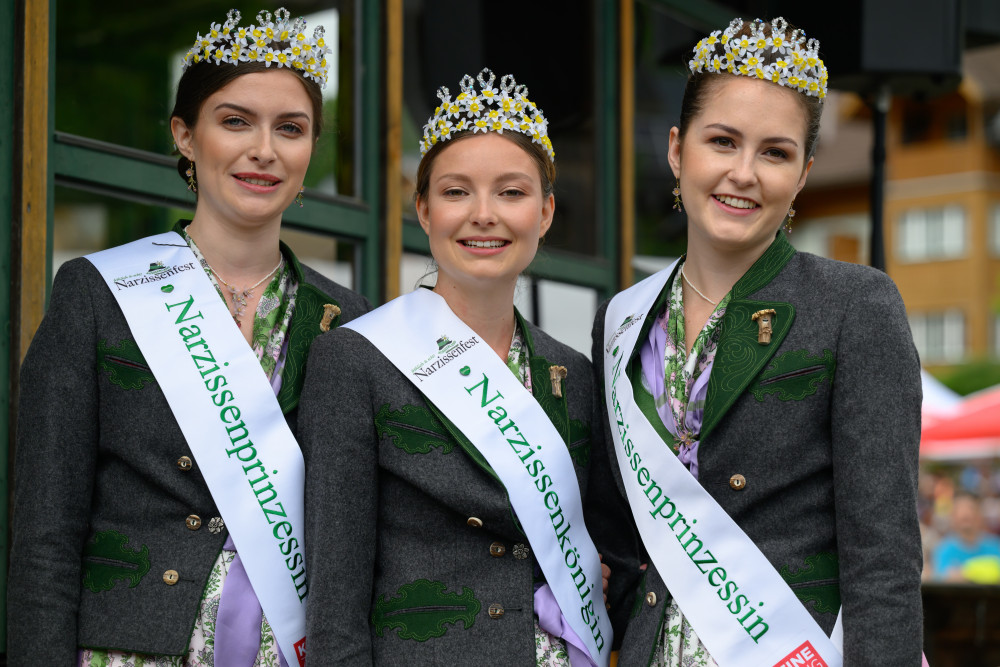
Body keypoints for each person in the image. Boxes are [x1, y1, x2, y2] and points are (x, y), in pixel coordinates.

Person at [7, 8, 369, 666]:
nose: (264, 149)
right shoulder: (99, 293)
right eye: (235, 121)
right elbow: (44, 536)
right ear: (185, 136)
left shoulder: (349, 321)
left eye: (290, 128)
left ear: (310, 150)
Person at [591, 17, 923, 666]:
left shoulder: (854, 305)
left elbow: (883, 561)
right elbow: (620, 542)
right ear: (677, 149)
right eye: (722, 141)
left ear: (802, 174)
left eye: (775, 153)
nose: (743, 172)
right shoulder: (622, 320)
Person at [300, 68, 628, 665]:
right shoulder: (356, 359)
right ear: (424, 210)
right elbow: (335, 597)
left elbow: (605, 548)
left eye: (511, 193)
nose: (484, 214)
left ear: (545, 213)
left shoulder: (574, 374)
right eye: (456, 192)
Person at [932, 492, 1000, 583]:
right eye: (960, 510)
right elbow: (940, 579)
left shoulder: (995, 546)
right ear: (952, 517)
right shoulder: (943, 549)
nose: (965, 514)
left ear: (980, 515)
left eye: (971, 508)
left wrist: (965, 573)